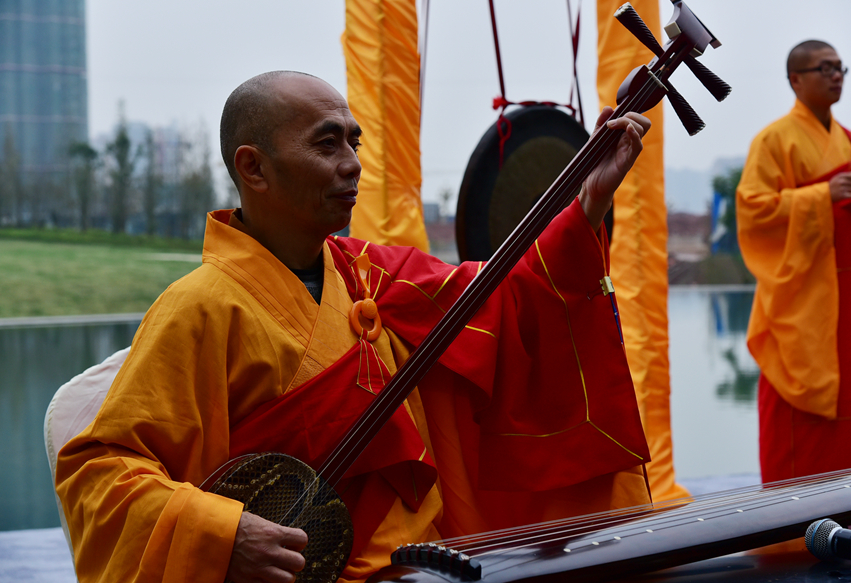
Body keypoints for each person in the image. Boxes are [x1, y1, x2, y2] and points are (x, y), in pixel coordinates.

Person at [55, 71, 654, 583]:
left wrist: (585, 210)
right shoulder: (201, 307)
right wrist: (223, 535)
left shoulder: (371, 275)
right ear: (253, 167)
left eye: (354, 141)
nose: (352, 164)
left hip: (421, 563)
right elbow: (99, 470)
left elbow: (499, 304)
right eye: (326, 144)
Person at [736, 40, 851, 484]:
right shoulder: (773, 141)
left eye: (839, 67)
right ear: (795, 80)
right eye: (823, 68)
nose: (836, 75)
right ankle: (795, 536)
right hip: (806, 304)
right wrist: (819, 196)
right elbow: (754, 213)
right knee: (803, 423)